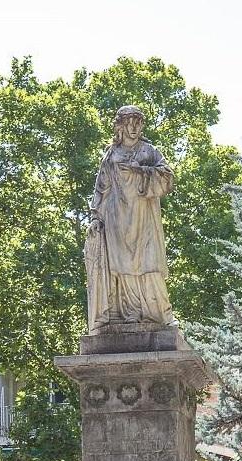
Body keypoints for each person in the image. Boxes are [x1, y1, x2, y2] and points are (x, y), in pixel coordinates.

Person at [85, 105, 177, 332]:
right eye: (129, 122)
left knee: (150, 264)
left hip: (144, 218)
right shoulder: (111, 155)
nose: (134, 127)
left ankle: (159, 314)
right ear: (120, 126)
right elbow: (101, 188)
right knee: (123, 267)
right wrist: (96, 217)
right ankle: (130, 314)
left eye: (138, 122)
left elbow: (168, 178)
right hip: (117, 218)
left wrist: (141, 172)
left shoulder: (149, 152)